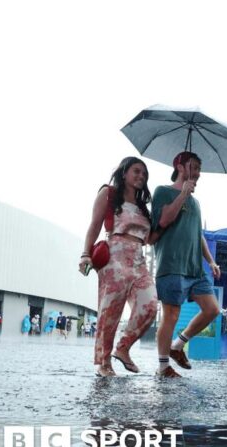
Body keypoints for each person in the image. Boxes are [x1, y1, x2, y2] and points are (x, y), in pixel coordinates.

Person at [79, 157, 159, 377]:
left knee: (150, 305)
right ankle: (104, 363)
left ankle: (122, 347)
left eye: (144, 174)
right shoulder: (108, 194)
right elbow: (94, 225)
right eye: (136, 171)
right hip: (114, 257)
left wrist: (174, 212)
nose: (141, 176)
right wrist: (85, 254)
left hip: (138, 260)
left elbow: (150, 238)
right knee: (110, 312)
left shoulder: (144, 208)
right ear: (124, 173)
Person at [151, 151, 221, 378]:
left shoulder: (196, 202)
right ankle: (163, 367)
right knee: (170, 314)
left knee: (212, 309)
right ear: (179, 166)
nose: (198, 173)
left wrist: (210, 261)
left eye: (200, 168)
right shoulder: (162, 192)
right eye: (194, 167)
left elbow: (197, 234)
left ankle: (177, 345)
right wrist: (182, 194)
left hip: (195, 268)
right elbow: (164, 220)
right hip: (171, 264)